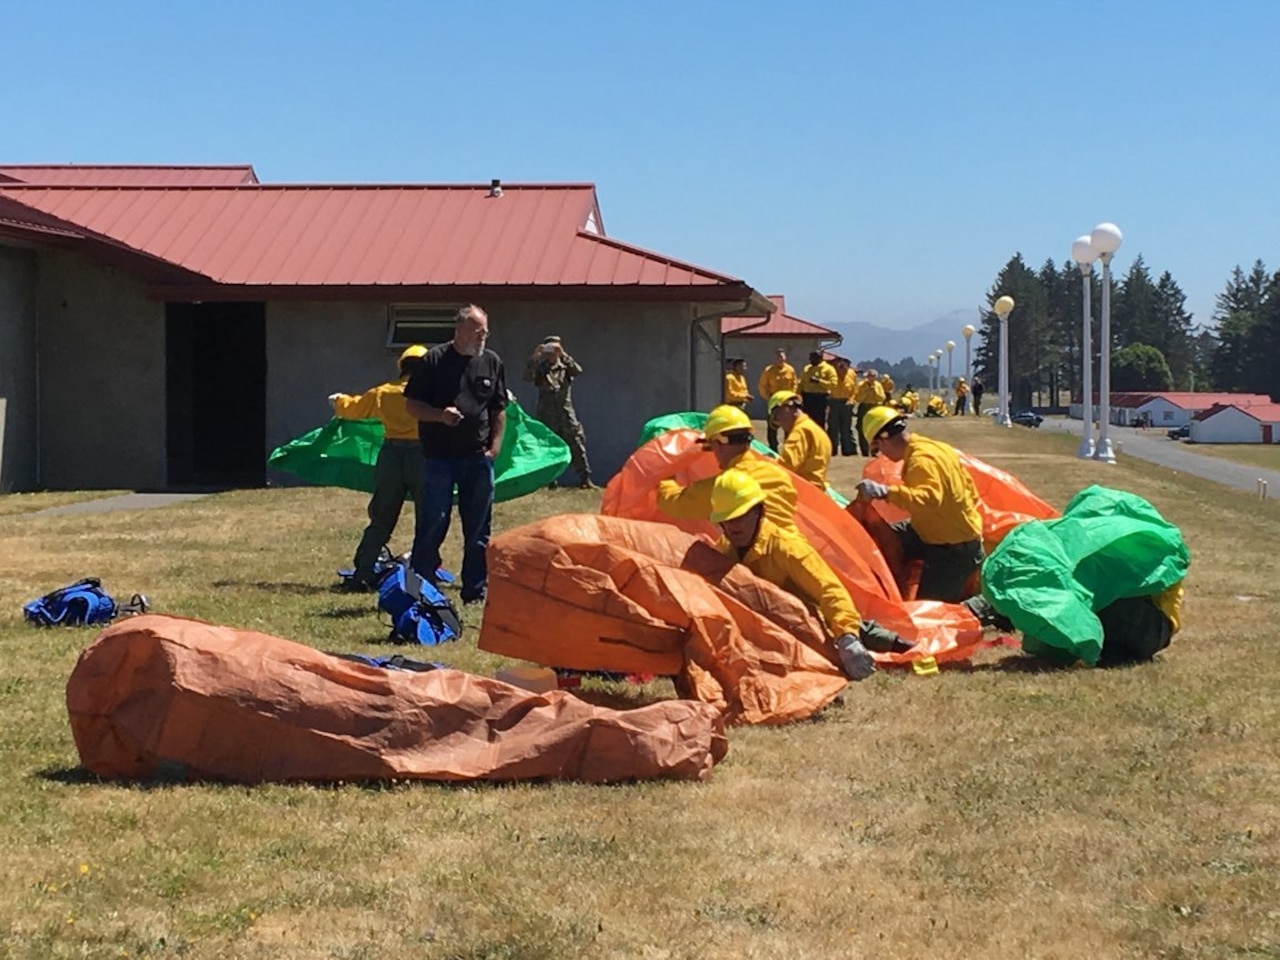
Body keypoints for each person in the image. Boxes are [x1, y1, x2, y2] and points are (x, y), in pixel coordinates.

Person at [707, 470, 912, 680]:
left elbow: (829, 590)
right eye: (728, 519)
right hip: (766, 631)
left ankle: (892, 643)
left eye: (741, 516)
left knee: (861, 634)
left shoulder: (787, 548)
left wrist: (847, 638)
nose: (734, 526)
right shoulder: (725, 551)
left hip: (811, 626)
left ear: (759, 511)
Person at [404, 305, 507, 606]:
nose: (483, 336)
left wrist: (495, 446)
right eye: (478, 331)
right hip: (439, 458)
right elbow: (412, 405)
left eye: (485, 330)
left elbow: (499, 408)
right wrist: (439, 415)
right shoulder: (433, 360)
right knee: (434, 521)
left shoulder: (492, 362)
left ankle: (475, 591)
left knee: (478, 527)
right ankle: (421, 588)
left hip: (478, 458)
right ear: (459, 330)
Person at [854, 406, 984, 603]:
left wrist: (885, 492)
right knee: (881, 536)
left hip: (953, 550)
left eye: (877, 449)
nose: (881, 455)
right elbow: (970, 490)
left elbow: (929, 499)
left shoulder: (920, 461)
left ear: (883, 439)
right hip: (938, 532)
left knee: (930, 611)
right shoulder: (937, 448)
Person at [328, 345, 429, 590]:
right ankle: (425, 575)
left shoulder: (383, 393)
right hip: (424, 457)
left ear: (402, 367)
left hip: (391, 457)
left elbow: (353, 409)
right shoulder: (433, 392)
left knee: (381, 518)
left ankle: (363, 572)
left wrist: (338, 400)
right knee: (428, 519)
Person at [656, 404, 799, 532]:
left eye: (711, 446)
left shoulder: (722, 487)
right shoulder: (779, 474)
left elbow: (675, 504)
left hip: (755, 559)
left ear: (717, 445)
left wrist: (665, 476)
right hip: (794, 551)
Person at [524, 335, 594, 489]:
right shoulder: (541, 368)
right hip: (547, 413)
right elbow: (527, 377)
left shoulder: (565, 367)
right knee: (549, 447)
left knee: (576, 443)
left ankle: (584, 478)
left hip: (565, 412)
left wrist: (563, 355)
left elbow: (577, 371)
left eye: (553, 349)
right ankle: (551, 481)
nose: (550, 353)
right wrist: (534, 358)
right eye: (548, 349)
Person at [768, 390, 832, 490]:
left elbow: (787, 466)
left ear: (785, 409)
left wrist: (768, 462)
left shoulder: (800, 431)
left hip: (803, 491)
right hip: (816, 489)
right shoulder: (814, 428)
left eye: (777, 418)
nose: (780, 424)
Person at [757, 349, 798, 451]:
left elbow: (795, 384)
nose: (780, 359)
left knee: (789, 426)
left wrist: (793, 397)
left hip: (787, 402)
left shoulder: (790, 370)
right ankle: (773, 447)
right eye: (778, 357)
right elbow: (762, 386)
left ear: (785, 358)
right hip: (774, 402)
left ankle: (788, 448)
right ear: (774, 359)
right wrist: (768, 397)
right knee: (772, 426)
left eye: (782, 357)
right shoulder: (768, 371)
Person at [798, 351, 837, 432]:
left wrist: (819, 381)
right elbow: (801, 383)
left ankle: (819, 442)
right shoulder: (807, 368)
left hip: (820, 399)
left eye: (812, 358)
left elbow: (833, 384)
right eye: (810, 357)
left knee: (819, 422)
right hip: (807, 398)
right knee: (806, 421)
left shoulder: (828, 369)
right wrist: (797, 395)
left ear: (819, 358)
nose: (810, 360)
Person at [827, 357, 858, 456]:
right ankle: (832, 450)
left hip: (846, 402)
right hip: (834, 402)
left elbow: (855, 390)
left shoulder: (852, 374)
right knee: (833, 427)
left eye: (844, 364)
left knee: (846, 427)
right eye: (839, 364)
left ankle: (848, 450)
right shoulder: (832, 373)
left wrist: (852, 401)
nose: (841, 366)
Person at [853, 368, 887, 456]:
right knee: (862, 428)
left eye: (873, 376)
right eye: (869, 376)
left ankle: (874, 450)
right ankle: (864, 450)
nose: (871, 378)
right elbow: (858, 398)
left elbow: (882, 398)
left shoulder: (878, 385)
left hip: (874, 407)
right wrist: (866, 391)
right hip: (864, 406)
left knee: (875, 429)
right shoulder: (861, 385)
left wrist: (874, 391)